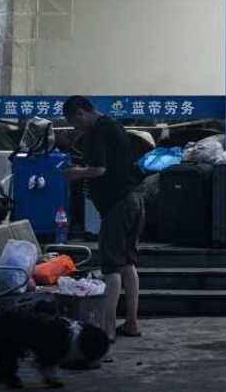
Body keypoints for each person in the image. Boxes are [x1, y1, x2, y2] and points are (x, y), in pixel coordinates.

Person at [59, 96, 144, 340]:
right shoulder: (114, 125)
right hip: (134, 200)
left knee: (111, 268)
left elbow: (99, 169)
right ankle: (131, 323)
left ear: (81, 112)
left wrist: (75, 174)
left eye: (74, 122)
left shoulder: (98, 131)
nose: (76, 127)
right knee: (128, 264)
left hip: (118, 204)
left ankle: (106, 331)